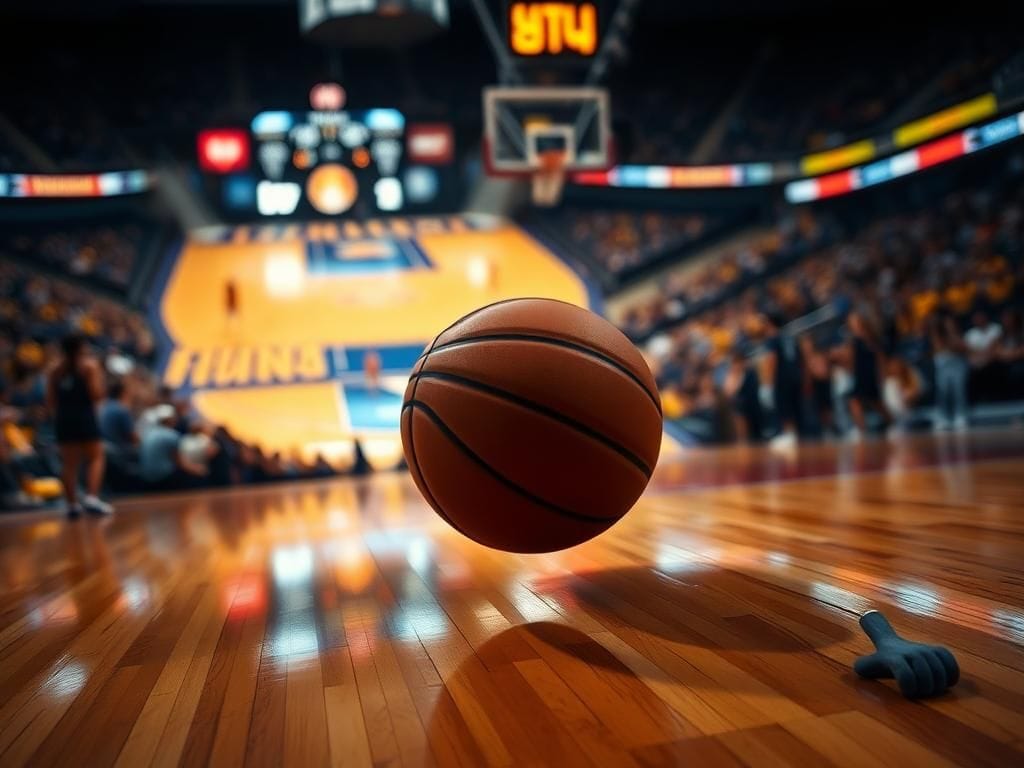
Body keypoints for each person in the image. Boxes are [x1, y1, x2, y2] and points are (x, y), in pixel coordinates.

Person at [46, 335, 113, 517]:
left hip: (64, 418)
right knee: (96, 457)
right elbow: (96, 394)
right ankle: (91, 497)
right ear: (81, 348)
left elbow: (50, 400)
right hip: (84, 416)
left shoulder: (54, 370)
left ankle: (71, 505)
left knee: (69, 464)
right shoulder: (89, 367)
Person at [846, 312, 888, 440]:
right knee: (855, 401)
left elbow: (880, 360)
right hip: (860, 376)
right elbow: (852, 361)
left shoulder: (871, 340)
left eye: (854, 323)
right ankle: (862, 430)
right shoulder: (854, 341)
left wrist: (882, 377)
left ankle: (891, 423)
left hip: (870, 376)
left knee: (876, 403)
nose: (853, 326)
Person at [930, 315, 970, 430]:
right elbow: (938, 348)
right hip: (943, 368)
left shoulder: (959, 336)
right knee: (943, 391)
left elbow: (960, 348)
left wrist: (952, 334)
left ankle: (961, 415)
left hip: (957, 366)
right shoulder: (937, 336)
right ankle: (943, 416)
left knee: (959, 390)